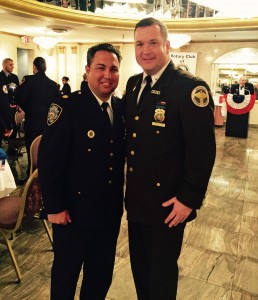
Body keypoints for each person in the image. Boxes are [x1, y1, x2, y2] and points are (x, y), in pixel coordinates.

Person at [123, 17, 216, 300]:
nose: (145, 50)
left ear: (167, 45)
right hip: (137, 201)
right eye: (139, 44)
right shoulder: (133, 83)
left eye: (153, 42)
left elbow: (202, 151)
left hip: (168, 205)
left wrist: (189, 198)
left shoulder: (190, 88)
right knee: (140, 268)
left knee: (161, 275)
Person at [38, 43, 125, 300]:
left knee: (100, 277)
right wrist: (54, 207)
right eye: (100, 68)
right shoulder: (67, 107)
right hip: (72, 214)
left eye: (113, 69)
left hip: (108, 213)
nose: (107, 75)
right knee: (66, 276)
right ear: (87, 70)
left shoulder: (120, 109)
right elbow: (49, 160)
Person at [15, 57, 59, 176]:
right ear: (45, 68)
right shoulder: (53, 85)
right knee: (48, 155)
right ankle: (48, 179)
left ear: (34, 67)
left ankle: (32, 182)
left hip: (32, 124)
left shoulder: (28, 82)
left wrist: (27, 108)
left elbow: (17, 97)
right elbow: (57, 107)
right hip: (49, 126)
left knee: (32, 155)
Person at [0, 58, 19, 150]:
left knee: (13, 129)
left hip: (13, 108)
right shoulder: (0, 77)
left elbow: (17, 92)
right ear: (4, 65)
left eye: (13, 64)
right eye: (10, 64)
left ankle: (12, 149)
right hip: (2, 109)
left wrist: (17, 104)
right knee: (1, 129)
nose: (13, 66)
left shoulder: (14, 77)